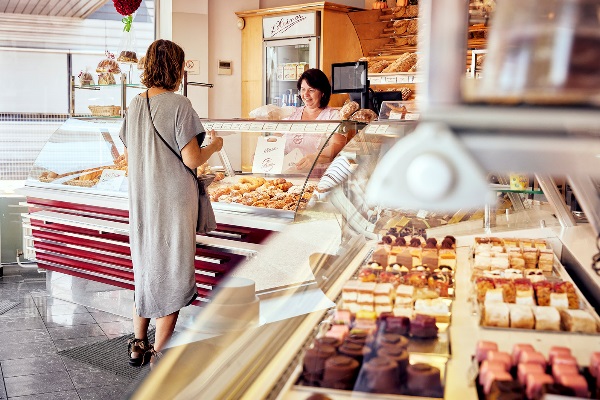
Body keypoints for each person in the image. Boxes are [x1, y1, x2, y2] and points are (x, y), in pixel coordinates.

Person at [118, 39, 223, 367]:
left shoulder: (134, 104)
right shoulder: (179, 105)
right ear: (176, 68)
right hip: (173, 203)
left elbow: (130, 151)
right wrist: (215, 145)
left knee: (147, 271)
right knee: (174, 273)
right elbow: (191, 159)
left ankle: (138, 344)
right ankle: (160, 353)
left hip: (142, 202)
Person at [284, 68, 346, 170]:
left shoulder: (333, 116)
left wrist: (316, 157)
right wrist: (264, 152)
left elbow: (338, 145)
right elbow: (277, 141)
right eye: (303, 89)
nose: (306, 94)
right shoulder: (292, 113)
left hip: (318, 177)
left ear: (322, 93)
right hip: (289, 175)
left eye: (311, 90)